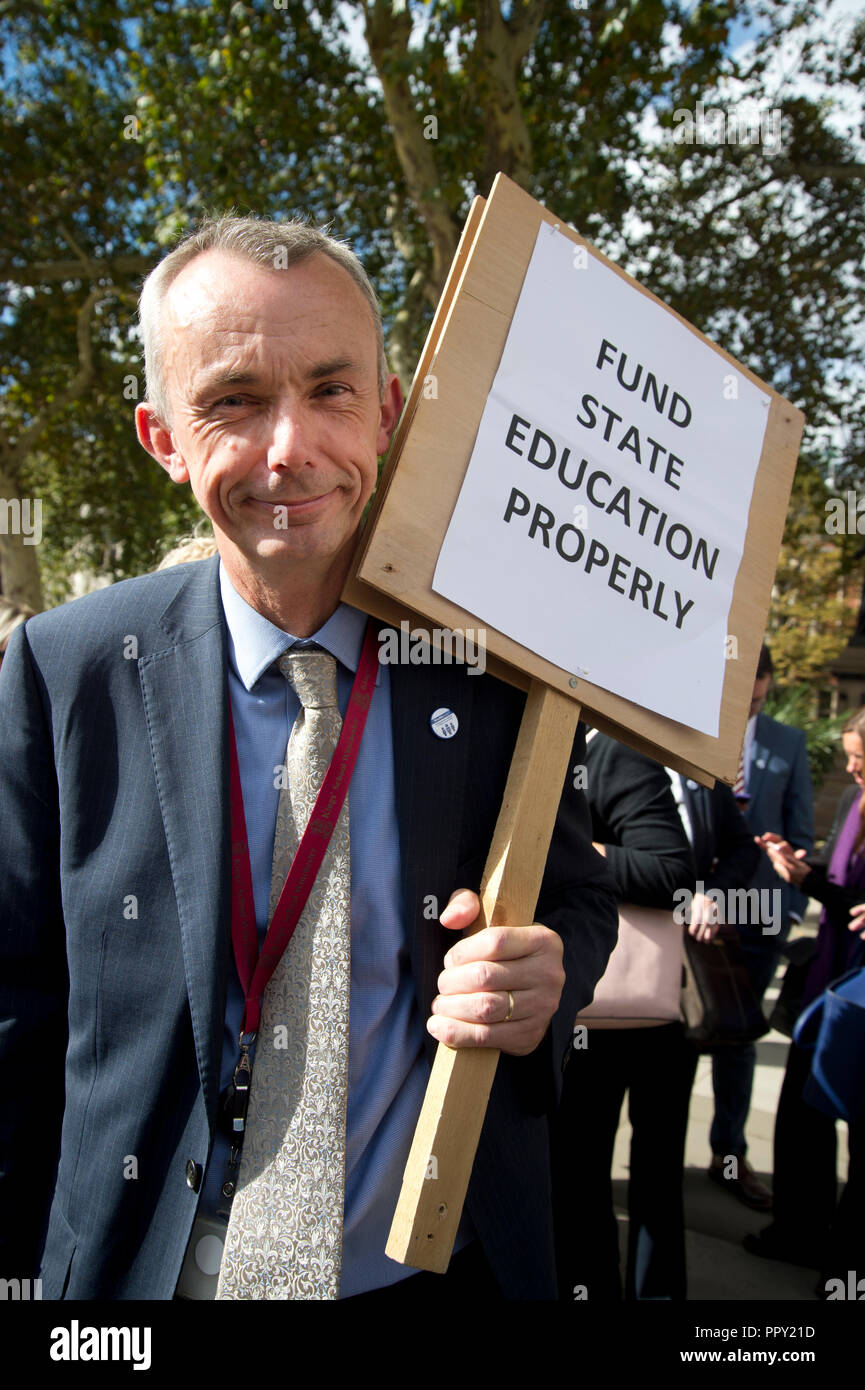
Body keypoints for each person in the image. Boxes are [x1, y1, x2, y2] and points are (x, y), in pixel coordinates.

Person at [0, 215, 617, 1301]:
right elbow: (14, 1008)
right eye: (233, 400)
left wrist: (545, 976)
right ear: (161, 439)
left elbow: (578, 898)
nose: (290, 446)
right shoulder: (65, 669)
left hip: (439, 1275)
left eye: (331, 390)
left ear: (385, 414)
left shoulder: (497, 669)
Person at [551, 731, 696, 1301]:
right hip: (585, 1019)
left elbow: (671, 869)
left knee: (591, 1188)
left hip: (616, 1024)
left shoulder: (618, 750)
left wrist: (566, 851)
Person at [744, 707, 865, 1282]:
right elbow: (843, 893)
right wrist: (801, 872)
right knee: (802, 1113)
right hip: (828, 980)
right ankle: (799, 1231)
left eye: (860, 759)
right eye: (849, 756)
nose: (850, 767)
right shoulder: (851, 801)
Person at [709, 642, 814, 1207]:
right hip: (700, 910)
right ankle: (658, 1153)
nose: (748, 702)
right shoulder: (697, 728)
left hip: (763, 917)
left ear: (768, 684)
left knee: (741, 1037)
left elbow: (802, 829)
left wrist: (792, 910)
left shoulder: (787, 743)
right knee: (678, 1033)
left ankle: (728, 1154)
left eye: (757, 690)